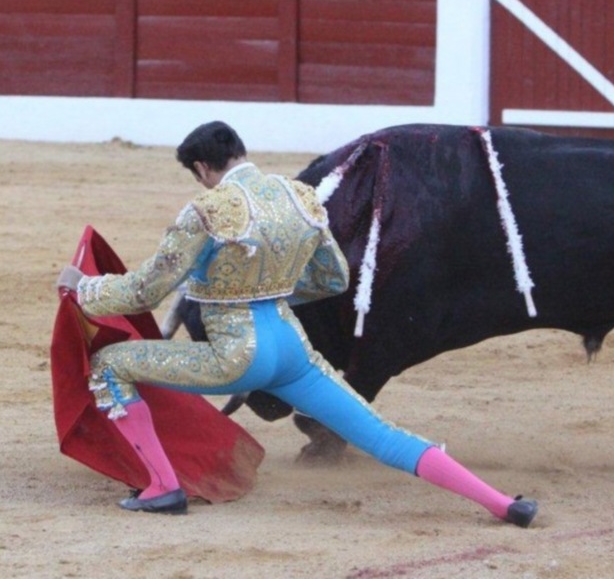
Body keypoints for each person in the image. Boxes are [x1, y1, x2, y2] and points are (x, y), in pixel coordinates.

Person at [57, 120, 537, 527]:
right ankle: (501, 504)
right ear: (239, 151)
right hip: (291, 350)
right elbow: (333, 277)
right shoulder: (300, 197)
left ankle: (163, 486)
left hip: (234, 356)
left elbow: (146, 290)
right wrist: (275, 288)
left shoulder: (207, 210)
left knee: (110, 365)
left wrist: (85, 289)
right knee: (382, 434)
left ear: (202, 169)